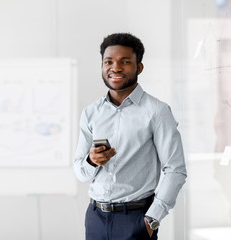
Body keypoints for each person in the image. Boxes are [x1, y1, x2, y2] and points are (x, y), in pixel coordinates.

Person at [73, 32, 187, 240]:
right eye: (109, 62)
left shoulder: (157, 111)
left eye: (125, 62)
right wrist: (91, 161)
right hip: (95, 218)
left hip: (136, 219)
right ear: (102, 66)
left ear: (139, 67)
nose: (115, 68)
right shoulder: (90, 113)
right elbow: (80, 172)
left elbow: (176, 170)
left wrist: (152, 219)